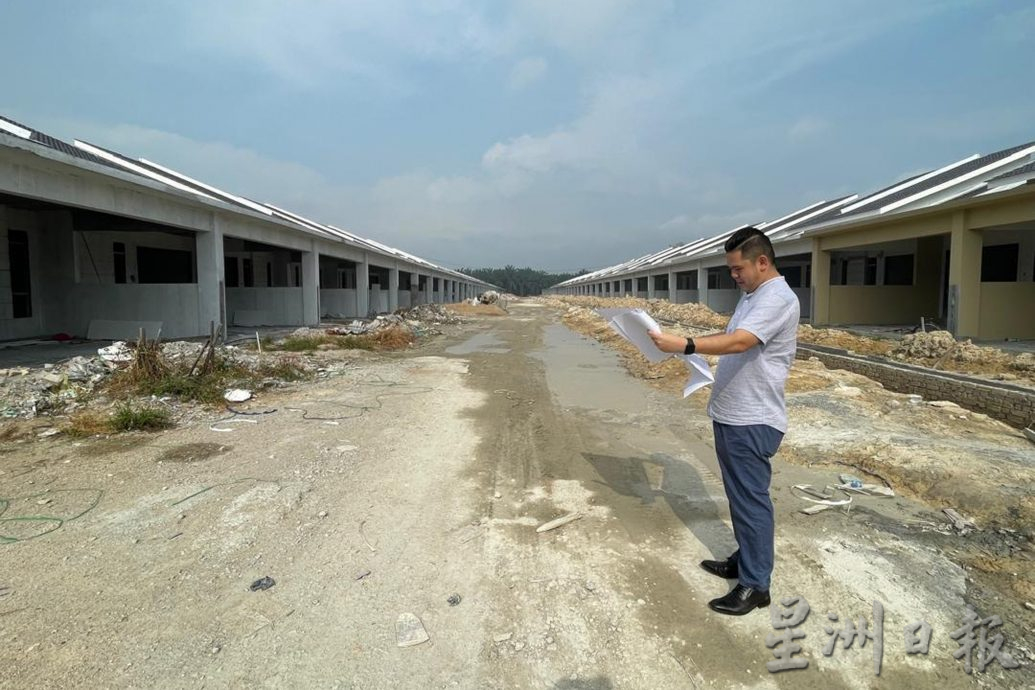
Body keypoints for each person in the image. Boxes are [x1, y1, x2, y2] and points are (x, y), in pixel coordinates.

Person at [648, 226, 799, 616]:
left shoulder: (777, 298)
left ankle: (755, 584)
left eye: (737, 268)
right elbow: (731, 333)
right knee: (739, 496)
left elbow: (741, 342)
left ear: (762, 262)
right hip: (733, 415)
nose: (733, 275)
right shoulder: (753, 296)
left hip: (753, 419)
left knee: (751, 501)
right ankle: (745, 559)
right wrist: (688, 338)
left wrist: (686, 345)